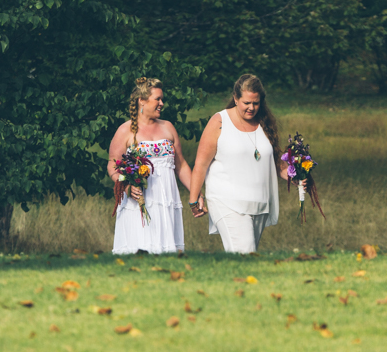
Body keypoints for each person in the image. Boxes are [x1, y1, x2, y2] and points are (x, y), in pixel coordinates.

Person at [188, 73, 288, 254]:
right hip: (227, 201)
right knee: (245, 253)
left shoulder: (264, 123)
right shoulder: (220, 121)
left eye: (256, 103)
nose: (251, 108)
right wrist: (194, 199)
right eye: (246, 103)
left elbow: (273, 159)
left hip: (259, 203)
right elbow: (201, 164)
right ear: (235, 98)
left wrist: (295, 175)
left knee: (247, 255)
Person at [108, 77, 194, 255]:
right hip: (139, 200)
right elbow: (112, 164)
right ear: (142, 100)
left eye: (162, 99)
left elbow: (182, 165)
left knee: (167, 253)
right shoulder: (125, 130)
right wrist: (125, 185)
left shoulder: (168, 127)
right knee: (139, 250)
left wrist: (196, 193)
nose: (162, 103)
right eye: (158, 99)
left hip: (166, 199)